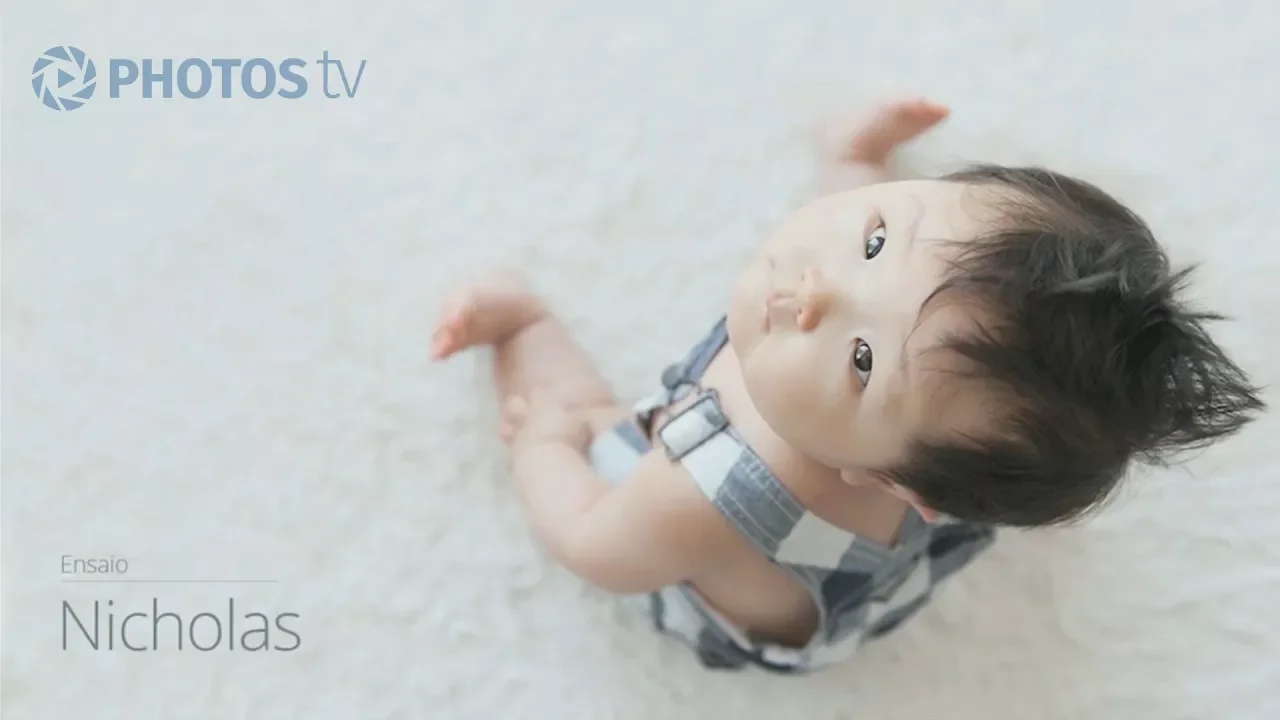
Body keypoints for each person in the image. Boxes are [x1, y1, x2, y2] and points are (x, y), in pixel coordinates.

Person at [429, 98, 1265, 673]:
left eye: (862, 360)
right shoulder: (921, 404)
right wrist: (855, 164)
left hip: (725, 565)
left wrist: (544, 447)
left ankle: (524, 324)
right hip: (912, 478)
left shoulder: (701, 490)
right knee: (925, 329)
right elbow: (888, 283)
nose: (814, 293)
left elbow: (597, 547)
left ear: (887, 480)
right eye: (874, 237)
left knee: (583, 422)